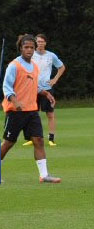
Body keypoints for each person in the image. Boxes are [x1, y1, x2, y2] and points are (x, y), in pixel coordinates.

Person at [1, 34, 61, 183]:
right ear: (20, 48)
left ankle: (44, 175)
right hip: (15, 112)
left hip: (32, 111)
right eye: (26, 47)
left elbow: (34, 86)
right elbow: (6, 87)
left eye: (31, 47)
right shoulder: (14, 65)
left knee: (39, 140)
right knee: (8, 143)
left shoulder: (34, 66)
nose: (29, 50)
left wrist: (45, 93)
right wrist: (15, 101)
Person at [22, 33, 65, 147]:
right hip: (32, 88)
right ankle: (31, 137)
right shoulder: (30, 54)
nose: (40, 43)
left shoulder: (51, 56)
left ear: (45, 43)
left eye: (42, 41)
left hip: (47, 89)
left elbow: (61, 67)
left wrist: (54, 79)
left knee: (50, 114)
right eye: (38, 41)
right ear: (35, 43)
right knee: (31, 114)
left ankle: (51, 138)